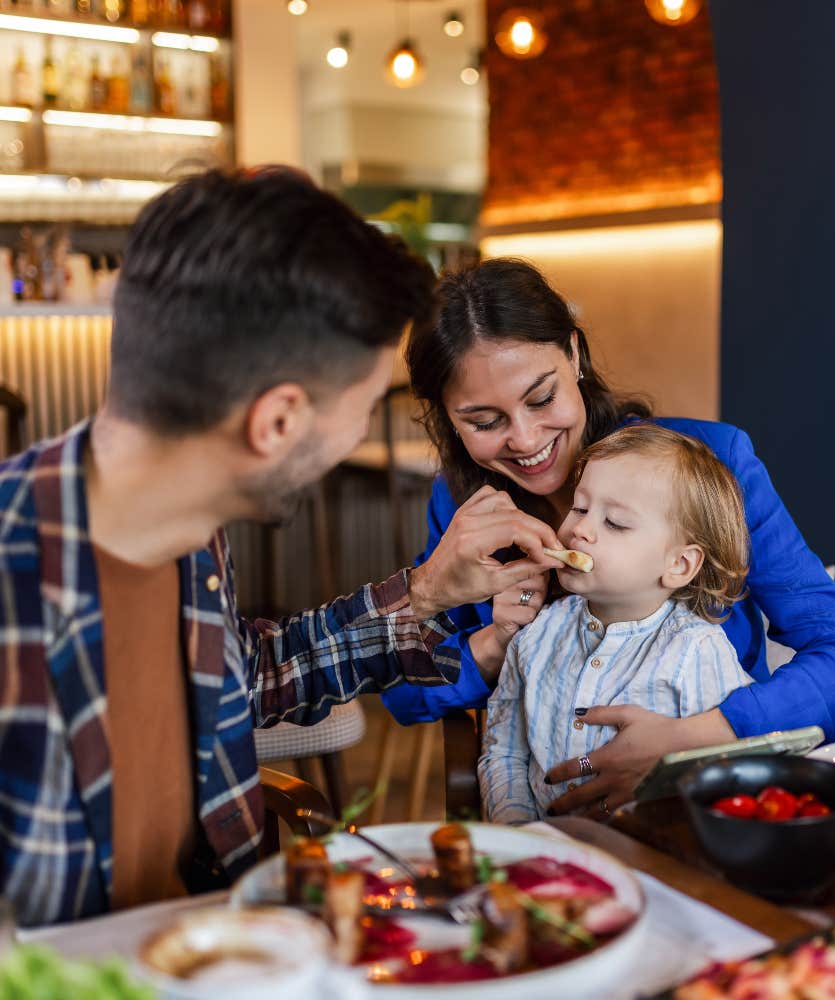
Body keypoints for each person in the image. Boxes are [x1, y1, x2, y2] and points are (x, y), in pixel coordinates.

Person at [0, 171, 564, 927]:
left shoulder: (190, 535)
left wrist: (426, 592)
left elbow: (246, 681)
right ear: (276, 424)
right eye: (362, 409)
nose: (360, 436)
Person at [382, 257, 835, 819]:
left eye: (541, 398)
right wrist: (500, 641)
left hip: (700, 813)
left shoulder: (710, 465)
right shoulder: (464, 505)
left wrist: (698, 735)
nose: (526, 439)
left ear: (574, 355)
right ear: (449, 421)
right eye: (485, 422)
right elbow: (401, 687)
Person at [478, 424, 754, 824]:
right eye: (579, 507)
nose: (580, 530)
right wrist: (518, 831)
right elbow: (504, 751)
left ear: (678, 565)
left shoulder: (697, 651)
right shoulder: (536, 635)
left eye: (617, 523)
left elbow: (721, 776)